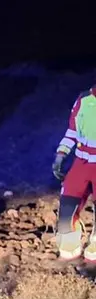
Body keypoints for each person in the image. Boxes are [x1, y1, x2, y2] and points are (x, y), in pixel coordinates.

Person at [52, 85, 96, 261]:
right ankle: (69, 245)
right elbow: (72, 132)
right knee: (68, 204)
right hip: (81, 163)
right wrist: (61, 155)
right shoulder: (84, 100)